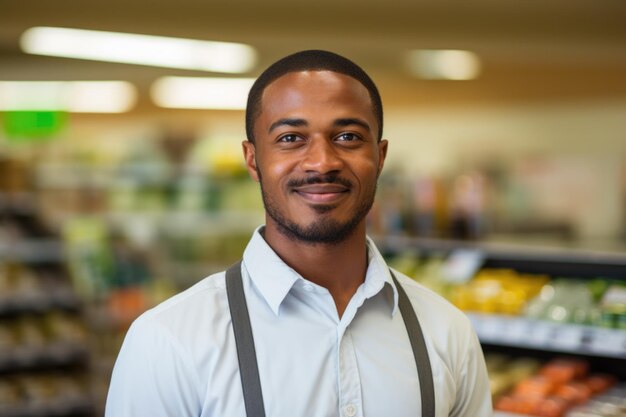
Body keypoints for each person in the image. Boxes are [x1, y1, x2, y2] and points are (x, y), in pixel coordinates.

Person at [105, 50, 493, 417]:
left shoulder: (446, 331)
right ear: (253, 159)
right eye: (291, 138)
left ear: (380, 156)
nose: (322, 162)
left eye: (348, 137)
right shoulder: (169, 340)